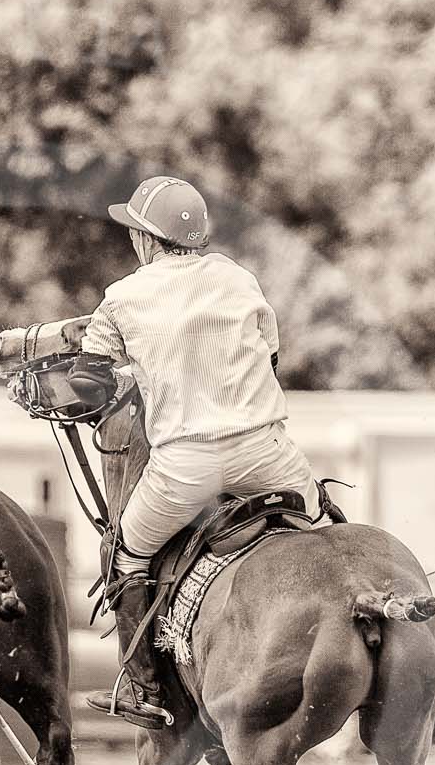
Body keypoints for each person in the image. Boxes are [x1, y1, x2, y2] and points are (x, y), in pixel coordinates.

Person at [67, 174, 316, 729]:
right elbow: (269, 359)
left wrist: (134, 376)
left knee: (125, 555)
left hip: (186, 466)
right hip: (267, 451)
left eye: (135, 230)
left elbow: (87, 385)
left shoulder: (123, 296)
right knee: (329, 535)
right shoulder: (239, 277)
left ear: (148, 240)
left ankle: (144, 689)